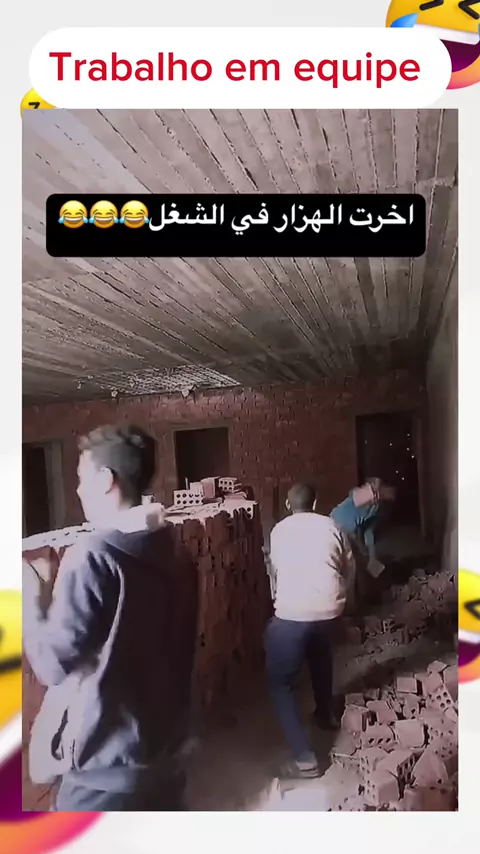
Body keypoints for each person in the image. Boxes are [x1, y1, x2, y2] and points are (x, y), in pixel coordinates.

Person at [23, 425, 198, 811]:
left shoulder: (94, 555)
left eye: (81, 478)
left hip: (104, 778)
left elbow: (52, 664)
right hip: (165, 762)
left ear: (106, 480)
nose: (77, 490)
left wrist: (31, 598)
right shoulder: (176, 554)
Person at [265, 483, 354, 779]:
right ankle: (325, 715)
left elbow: (275, 571)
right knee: (320, 650)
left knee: (281, 682)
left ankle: (305, 759)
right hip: (330, 610)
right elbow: (348, 567)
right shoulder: (332, 526)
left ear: (288, 506)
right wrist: (340, 598)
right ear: (315, 503)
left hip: (292, 614)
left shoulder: (278, 531)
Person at [331, 478, 396, 579]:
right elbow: (349, 530)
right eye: (388, 490)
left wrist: (372, 556)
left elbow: (368, 531)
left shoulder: (376, 509)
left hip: (348, 530)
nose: (389, 495)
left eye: (391, 495)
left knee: (355, 562)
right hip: (336, 526)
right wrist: (361, 547)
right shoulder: (363, 495)